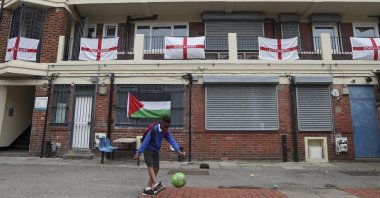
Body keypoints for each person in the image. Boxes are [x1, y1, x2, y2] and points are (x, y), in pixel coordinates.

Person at [133, 116, 186, 196]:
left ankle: (148, 188)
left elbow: (172, 141)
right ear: (160, 122)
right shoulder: (154, 130)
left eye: (168, 126)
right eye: (165, 126)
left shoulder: (166, 131)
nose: (166, 128)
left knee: (156, 168)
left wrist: (179, 151)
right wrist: (138, 153)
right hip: (148, 150)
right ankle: (156, 184)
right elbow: (146, 141)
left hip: (156, 151)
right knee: (150, 166)